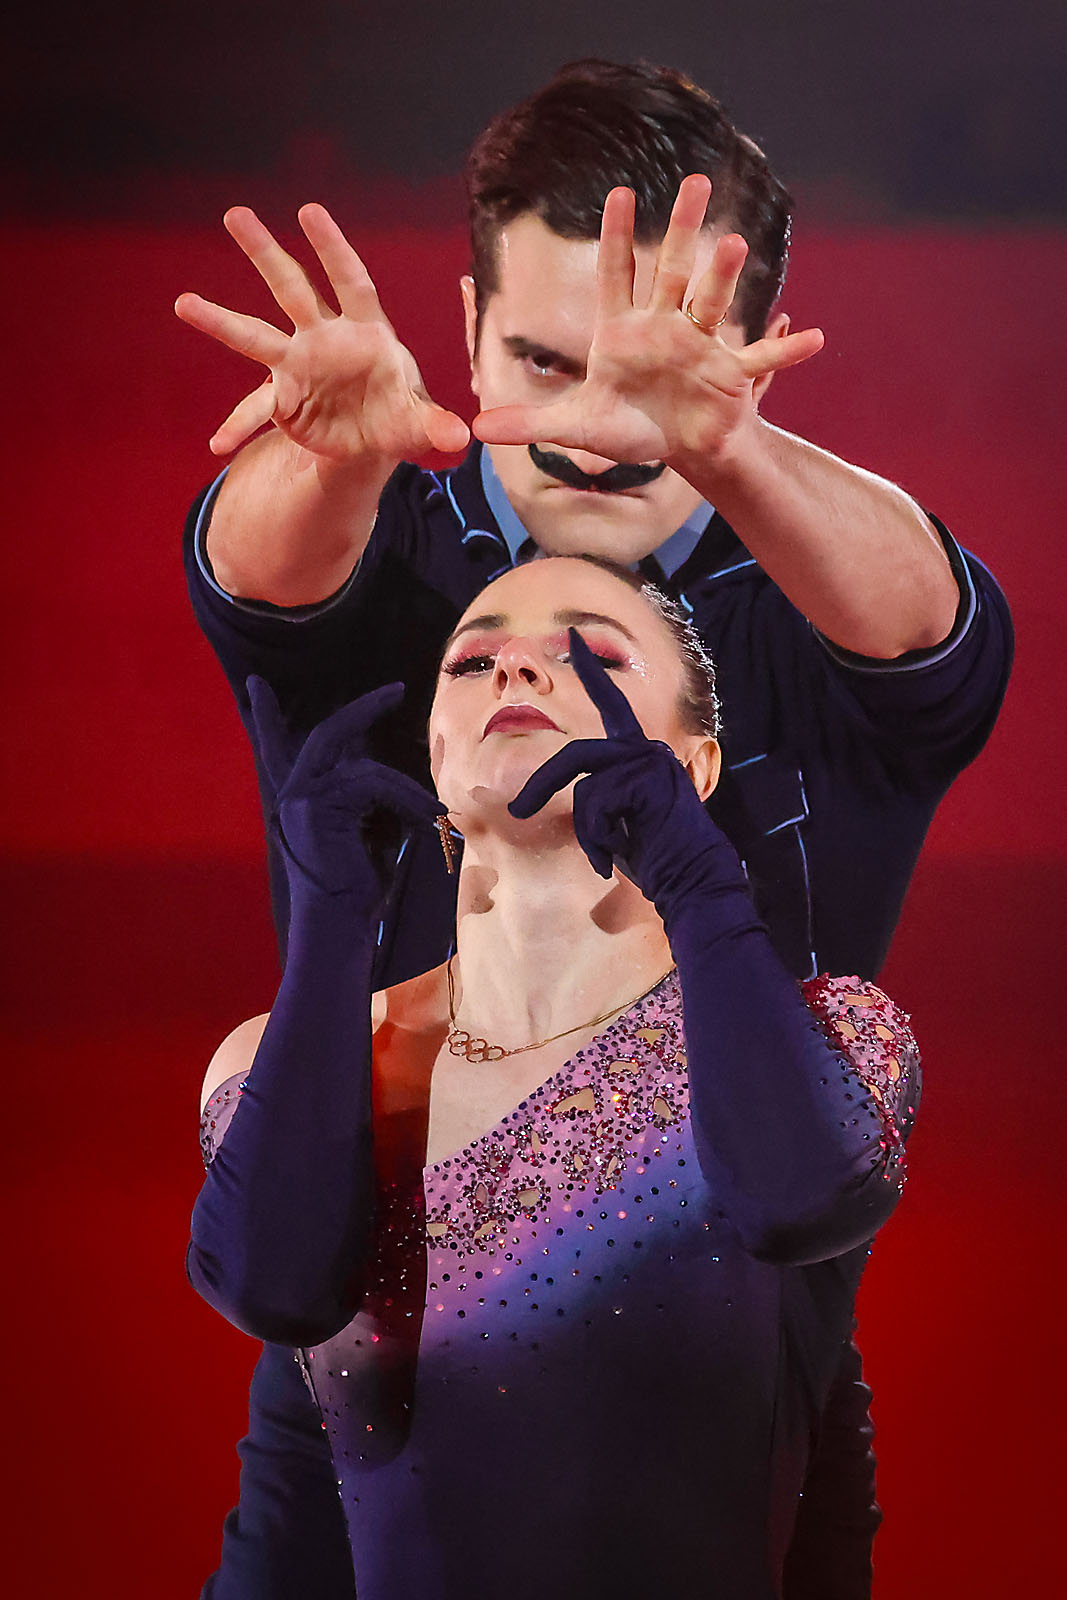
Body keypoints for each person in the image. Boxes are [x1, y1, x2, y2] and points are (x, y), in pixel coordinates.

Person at [176, 58, 1011, 1599]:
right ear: (467, 326)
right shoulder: (390, 553)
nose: (592, 430)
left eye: (644, 377)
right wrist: (333, 448)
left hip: (745, 1416)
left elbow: (937, 644)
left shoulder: (807, 613)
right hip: (348, 1409)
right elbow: (262, 589)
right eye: (542, 362)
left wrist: (728, 448)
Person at [190, 556, 922, 1600]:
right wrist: (332, 922)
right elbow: (276, 1284)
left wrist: (697, 876)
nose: (516, 670)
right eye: (472, 660)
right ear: (433, 754)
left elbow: (794, 1198)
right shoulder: (280, 1058)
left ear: (695, 764)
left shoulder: (831, 1033)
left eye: (590, 653)